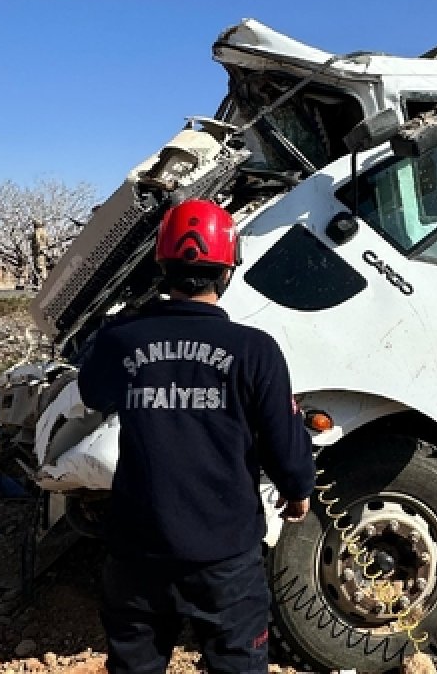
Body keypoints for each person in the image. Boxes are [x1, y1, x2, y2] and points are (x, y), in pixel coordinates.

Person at [77, 200, 315, 674]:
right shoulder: (256, 350)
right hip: (225, 556)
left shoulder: (122, 340)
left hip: (137, 550)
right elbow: (283, 443)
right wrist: (298, 490)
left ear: (161, 266)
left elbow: (94, 392)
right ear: (227, 273)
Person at [30, 219, 49, 288]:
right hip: (43, 251)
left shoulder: (37, 232)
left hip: (38, 252)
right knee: (43, 267)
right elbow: (48, 242)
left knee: (39, 267)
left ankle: (40, 284)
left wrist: (39, 248)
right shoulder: (44, 232)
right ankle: (42, 283)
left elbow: (38, 241)